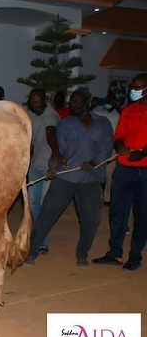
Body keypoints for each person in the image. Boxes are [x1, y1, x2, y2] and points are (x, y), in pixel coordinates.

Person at [25, 90, 113, 267]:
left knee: (91, 219)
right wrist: (53, 168)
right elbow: (58, 152)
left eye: (78, 102)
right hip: (66, 177)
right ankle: (32, 251)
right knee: (47, 214)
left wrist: (95, 162)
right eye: (72, 103)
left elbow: (106, 147)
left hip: (91, 178)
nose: (74, 105)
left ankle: (82, 253)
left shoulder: (103, 124)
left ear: (88, 103)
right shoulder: (66, 125)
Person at [92, 73, 147, 271]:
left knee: (141, 215)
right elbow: (119, 135)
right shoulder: (128, 111)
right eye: (132, 87)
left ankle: (135, 255)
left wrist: (142, 153)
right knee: (117, 212)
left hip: (144, 170)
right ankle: (115, 252)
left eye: (137, 87)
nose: (133, 90)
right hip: (124, 167)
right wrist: (121, 145)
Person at [25, 88, 62, 256]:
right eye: (32, 102)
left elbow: (50, 133)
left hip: (49, 166)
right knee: (33, 205)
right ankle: (38, 236)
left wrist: (55, 155)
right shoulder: (29, 114)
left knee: (44, 205)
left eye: (37, 102)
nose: (34, 105)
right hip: (34, 165)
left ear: (44, 102)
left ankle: (42, 242)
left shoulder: (51, 115)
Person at [92, 93, 120, 204]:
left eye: (111, 101)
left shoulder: (118, 115)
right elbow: (89, 113)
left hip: (113, 146)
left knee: (109, 173)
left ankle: (107, 197)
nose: (109, 103)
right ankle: (98, 196)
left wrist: (116, 105)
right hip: (100, 146)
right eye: (107, 101)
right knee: (98, 170)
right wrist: (96, 103)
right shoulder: (100, 114)